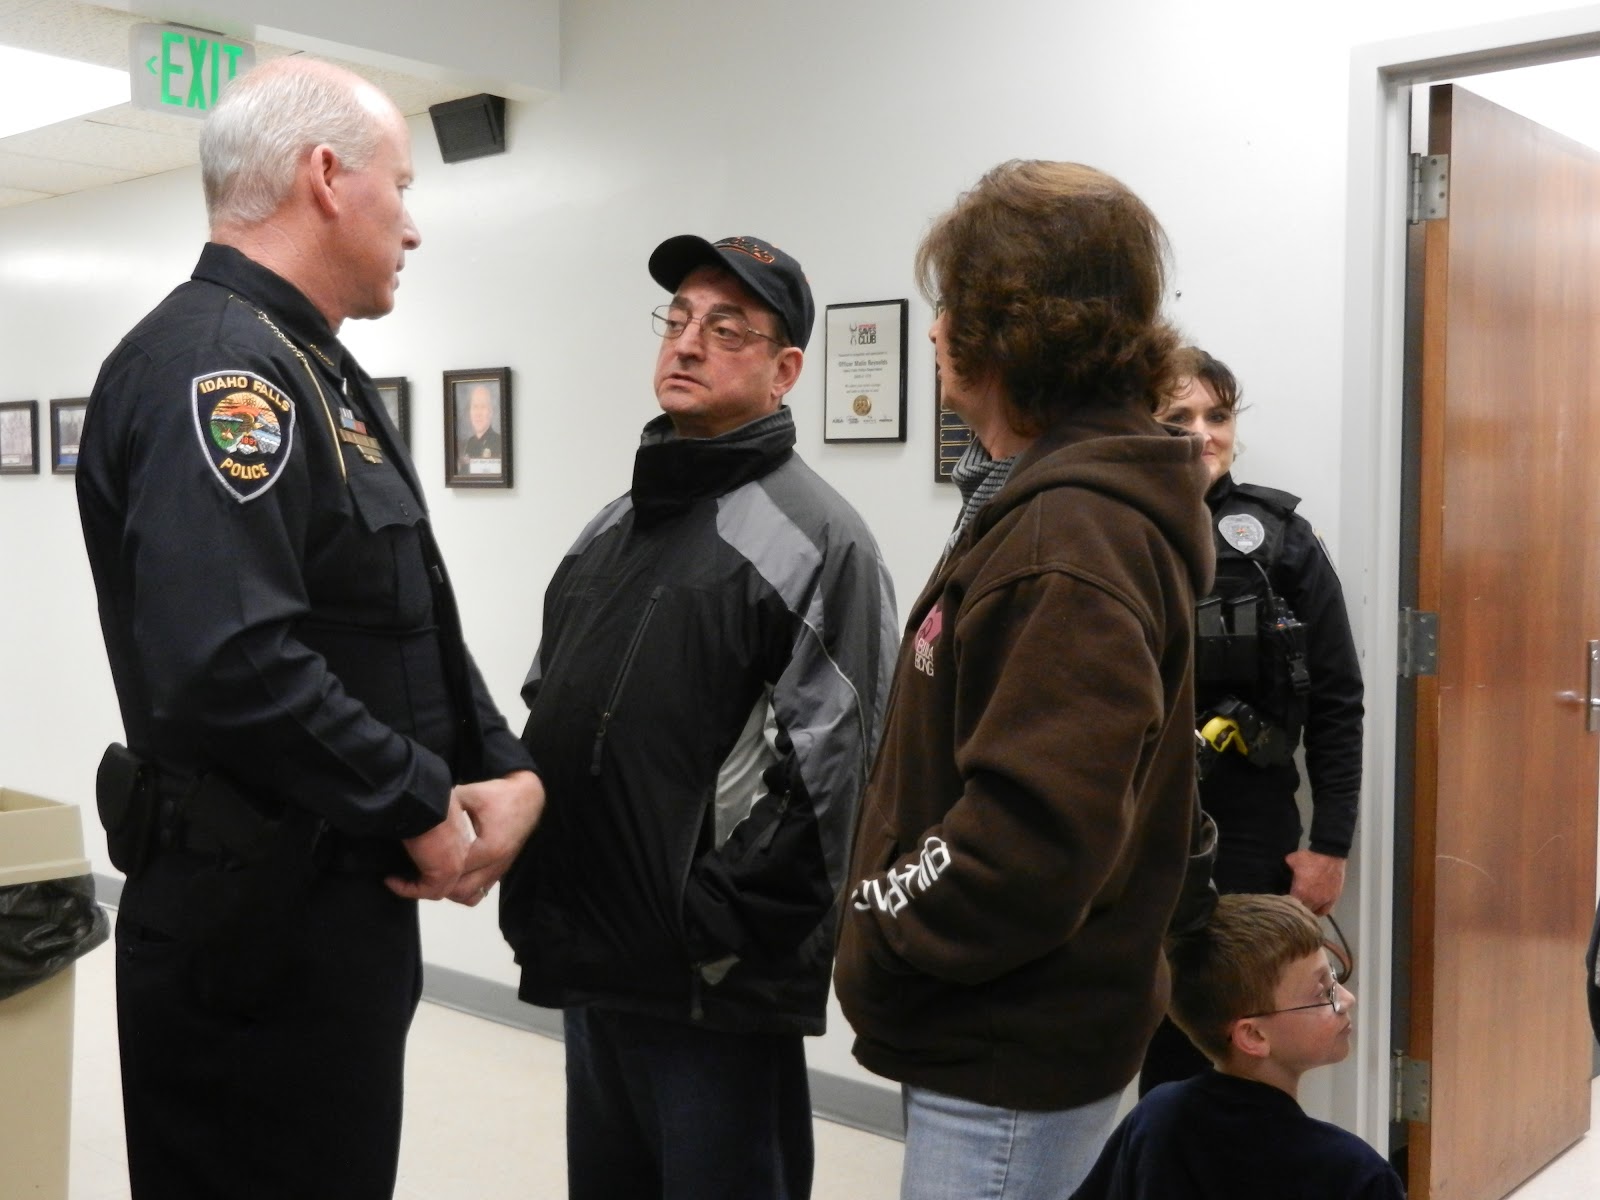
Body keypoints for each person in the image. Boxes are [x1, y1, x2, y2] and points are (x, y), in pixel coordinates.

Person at [75, 58, 543, 1199]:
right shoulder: (219, 368)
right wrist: (417, 798)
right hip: (252, 927)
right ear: (326, 177)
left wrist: (497, 764)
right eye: (402, 186)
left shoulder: (307, 362)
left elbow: (396, 609)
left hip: (323, 910)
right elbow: (228, 660)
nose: (413, 226)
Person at [832, 160, 1215, 1200]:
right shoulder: (1051, 508)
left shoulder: (1068, 537)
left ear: (1010, 329)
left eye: (951, 305)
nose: (933, 331)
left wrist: (881, 916)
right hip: (1011, 1029)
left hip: (1007, 1046)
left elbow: (1030, 842)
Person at [498, 233, 898, 1200]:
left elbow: (833, 775)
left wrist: (708, 928)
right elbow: (551, 699)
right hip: (595, 958)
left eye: (725, 329)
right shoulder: (611, 527)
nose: (685, 343)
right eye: (677, 320)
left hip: (709, 985)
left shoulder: (820, 539)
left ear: (784, 371)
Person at [1140, 348, 1364, 1094]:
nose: (1203, 434)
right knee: (1152, 1035)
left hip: (1246, 830)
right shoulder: (1111, 528)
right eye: (1178, 417)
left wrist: (1329, 845)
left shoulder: (1280, 539)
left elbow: (1337, 697)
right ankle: (1160, 1152)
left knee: (1245, 1037)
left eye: (1218, 415)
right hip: (1132, 825)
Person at [1071, 893, 1405, 1199]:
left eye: (1332, 976)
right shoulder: (1355, 1174)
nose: (1347, 999)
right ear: (1253, 1036)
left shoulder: (1156, 1117)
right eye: (1323, 993)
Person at [458, 382, 502, 469]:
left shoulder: (499, 443)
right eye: (475, 407)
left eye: (483, 406)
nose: (478, 413)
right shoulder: (469, 444)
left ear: (490, 412)